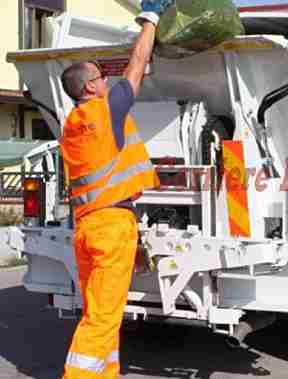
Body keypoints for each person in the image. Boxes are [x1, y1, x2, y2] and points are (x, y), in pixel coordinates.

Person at [58, 1, 172, 378]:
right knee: (102, 321)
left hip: (87, 228)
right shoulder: (104, 111)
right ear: (90, 87)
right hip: (110, 229)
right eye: (101, 77)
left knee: (100, 315)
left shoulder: (74, 123)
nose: (108, 80)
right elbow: (136, 67)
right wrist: (150, 20)